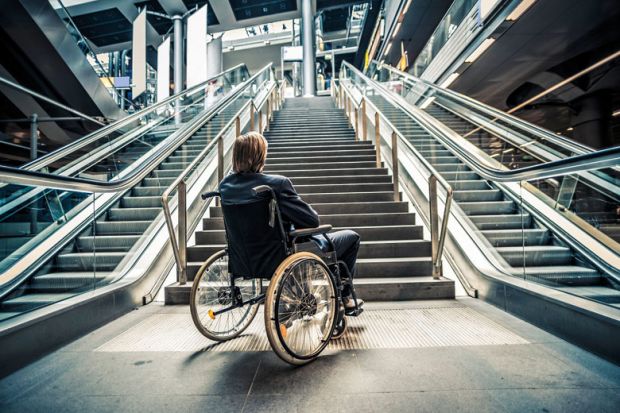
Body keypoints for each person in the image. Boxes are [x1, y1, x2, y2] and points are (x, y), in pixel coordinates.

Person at [219, 132, 364, 311]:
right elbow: (311, 220)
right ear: (259, 156)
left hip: (243, 256)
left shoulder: (225, 186)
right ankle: (344, 298)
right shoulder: (276, 184)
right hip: (279, 255)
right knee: (352, 238)